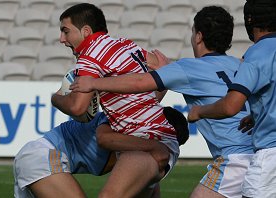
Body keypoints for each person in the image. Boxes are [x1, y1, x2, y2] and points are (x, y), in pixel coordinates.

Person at [70, 6, 255, 198]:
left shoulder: (189, 68)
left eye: (193, 32)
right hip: (261, 154)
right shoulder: (240, 65)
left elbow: (139, 82)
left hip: (235, 159)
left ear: (198, 36)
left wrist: (93, 82)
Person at [51, 3, 180, 198]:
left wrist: (56, 98)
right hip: (150, 139)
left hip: (145, 141)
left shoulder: (89, 57)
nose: (62, 39)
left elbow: (78, 108)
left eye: (65, 31)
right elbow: (162, 70)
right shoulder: (125, 44)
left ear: (86, 31)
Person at [187, 1, 276, 197]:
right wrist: (260, 114)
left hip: (270, 156)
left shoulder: (257, 52)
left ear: (250, 20)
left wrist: (199, 111)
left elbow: (230, 106)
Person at [14, 111, 174, 198]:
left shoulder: (137, 151)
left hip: (40, 160)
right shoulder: (118, 122)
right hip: (43, 155)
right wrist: (154, 146)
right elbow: (104, 139)